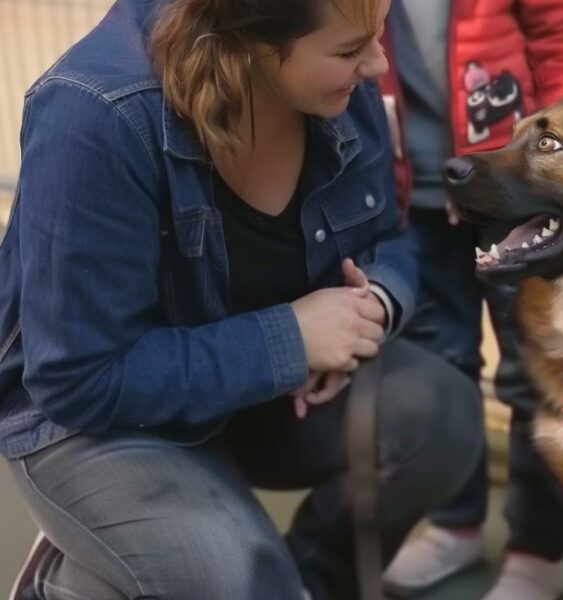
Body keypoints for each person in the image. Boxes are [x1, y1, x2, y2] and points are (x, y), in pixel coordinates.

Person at [0, 0, 484, 598]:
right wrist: (289, 340)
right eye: (349, 50)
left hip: (259, 390)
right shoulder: (95, 114)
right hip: (97, 421)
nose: (378, 63)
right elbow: (78, 378)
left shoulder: (339, 81)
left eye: (379, 33)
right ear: (251, 42)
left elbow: (392, 239)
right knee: (235, 577)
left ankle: (309, 583)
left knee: (445, 417)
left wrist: (373, 307)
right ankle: (75, 585)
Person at [374, 2, 563, 599]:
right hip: (405, 195)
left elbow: (560, 33)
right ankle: (454, 524)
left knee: (539, 373)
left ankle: (540, 546)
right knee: (438, 363)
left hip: (511, 193)